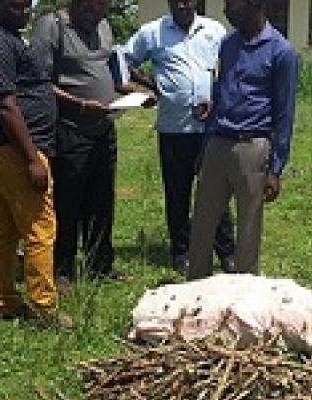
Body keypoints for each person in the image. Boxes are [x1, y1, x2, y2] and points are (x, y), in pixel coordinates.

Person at [0, 0, 72, 328]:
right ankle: (44, 308)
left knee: (6, 228)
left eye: (26, 6)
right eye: (15, 7)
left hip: (3, 148)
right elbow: (4, 106)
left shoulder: (4, 36)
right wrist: (32, 159)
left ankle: (5, 301)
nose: (24, 13)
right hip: (14, 149)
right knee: (40, 226)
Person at [185, 0, 299, 280]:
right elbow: (219, 94)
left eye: (232, 5)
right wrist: (205, 146)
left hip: (253, 147)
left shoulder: (282, 52)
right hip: (217, 143)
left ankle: (244, 296)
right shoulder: (228, 44)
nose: (225, 11)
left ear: (255, 5)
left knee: (248, 228)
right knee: (202, 222)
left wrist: (275, 169)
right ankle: (196, 289)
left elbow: (284, 114)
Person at [124, 0, 237, 274]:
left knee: (216, 191)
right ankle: (181, 251)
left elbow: (228, 70)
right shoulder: (153, 32)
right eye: (177, 0)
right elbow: (123, 59)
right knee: (178, 192)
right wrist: (151, 85)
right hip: (174, 129)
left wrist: (216, 99)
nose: (183, 4)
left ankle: (226, 252)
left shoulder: (214, 30)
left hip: (210, 130)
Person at [30, 0, 130, 286]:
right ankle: (62, 269)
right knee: (68, 201)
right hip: (70, 128)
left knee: (101, 200)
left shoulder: (103, 26)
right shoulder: (52, 27)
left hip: (102, 128)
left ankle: (100, 264)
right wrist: (82, 105)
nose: (96, 16)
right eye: (90, 9)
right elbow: (39, 81)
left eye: (102, 10)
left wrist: (127, 92)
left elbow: (106, 67)